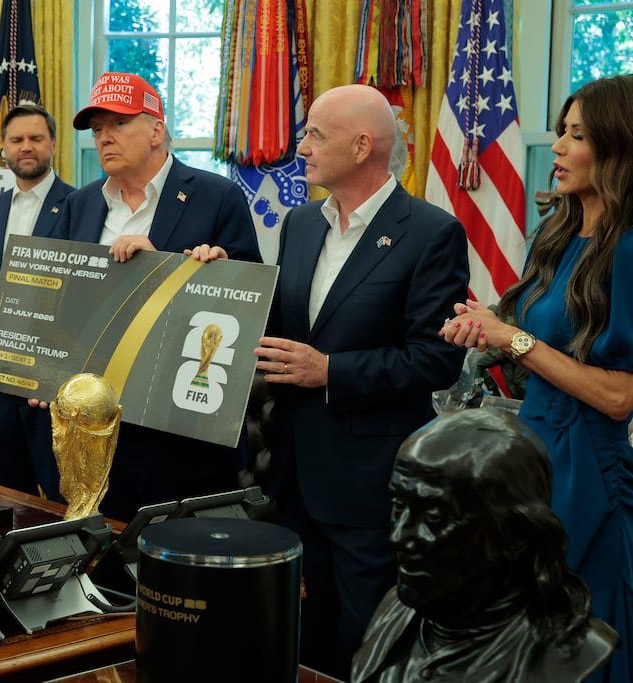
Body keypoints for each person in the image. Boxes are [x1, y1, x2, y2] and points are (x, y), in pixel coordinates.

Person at [253, 84, 469, 678]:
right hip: (293, 473)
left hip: (369, 481)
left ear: (362, 144)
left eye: (315, 134)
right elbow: (274, 326)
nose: (301, 146)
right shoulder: (299, 225)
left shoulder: (430, 233)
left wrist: (331, 372)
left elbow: (435, 359)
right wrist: (219, 280)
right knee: (302, 635)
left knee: (364, 637)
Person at [442, 74, 633, 683]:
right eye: (561, 132)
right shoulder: (555, 234)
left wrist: (514, 340)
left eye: (575, 135)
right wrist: (487, 325)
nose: (555, 148)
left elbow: (618, 395)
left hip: (591, 475)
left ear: (617, 147)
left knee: (578, 646)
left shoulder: (627, 250)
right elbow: (536, 336)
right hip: (536, 457)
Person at [50, 71, 262, 522]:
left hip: (183, 428)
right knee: (103, 565)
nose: (104, 138)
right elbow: (63, 304)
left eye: (118, 124)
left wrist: (167, 265)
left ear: (156, 129)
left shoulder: (216, 196)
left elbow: (253, 311)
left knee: (181, 574)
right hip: (100, 425)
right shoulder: (81, 204)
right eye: (97, 130)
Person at [353, 408, 619, 682]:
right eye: (399, 506)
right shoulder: (393, 608)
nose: (400, 537)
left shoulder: (571, 651)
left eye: (433, 516)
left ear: (514, 533)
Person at [0, 104, 74, 502]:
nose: (26, 147)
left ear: (53, 144)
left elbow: (85, 300)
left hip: (50, 391)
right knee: (7, 500)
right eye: (17, 140)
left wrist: (51, 370)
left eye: (36, 138)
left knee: (62, 500)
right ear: (3, 149)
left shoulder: (81, 207)